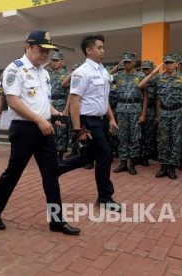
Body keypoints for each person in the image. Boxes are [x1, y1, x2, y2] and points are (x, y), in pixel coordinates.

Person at [0, 30, 80, 235]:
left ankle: (57, 221)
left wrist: (55, 115)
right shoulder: (15, 69)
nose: (46, 55)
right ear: (28, 47)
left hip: (44, 128)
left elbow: (43, 103)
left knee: (51, 174)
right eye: (42, 50)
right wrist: (39, 120)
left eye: (48, 51)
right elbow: (13, 102)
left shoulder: (43, 72)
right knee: (13, 173)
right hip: (25, 130)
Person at [57, 34, 121, 212]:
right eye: (99, 47)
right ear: (89, 50)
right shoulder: (81, 72)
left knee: (86, 157)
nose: (103, 51)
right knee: (104, 155)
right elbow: (75, 101)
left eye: (103, 47)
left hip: (99, 121)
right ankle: (105, 198)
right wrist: (78, 129)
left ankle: (54, 170)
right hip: (87, 121)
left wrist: (111, 118)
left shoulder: (104, 71)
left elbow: (104, 98)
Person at [139, 54, 182, 180]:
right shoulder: (159, 78)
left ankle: (172, 167)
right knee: (163, 140)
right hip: (164, 113)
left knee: (176, 141)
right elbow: (141, 85)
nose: (168, 64)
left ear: (176, 63)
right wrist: (154, 71)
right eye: (166, 62)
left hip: (179, 112)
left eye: (171, 62)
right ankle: (163, 167)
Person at [111, 52, 147, 175]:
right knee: (122, 137)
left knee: (135, 137)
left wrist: (143, 113)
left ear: (134, 62)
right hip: (121, 109)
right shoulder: (117, 76)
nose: (126, 64)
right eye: (124, 62)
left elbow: (146, 95)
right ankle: (122, 163)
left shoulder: (141, 75)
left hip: (135, 108)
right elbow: (106, 77)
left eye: (128, 61)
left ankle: (132, 164)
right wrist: (117, 66)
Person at [48, 51, 70, 160]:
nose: (54, 63)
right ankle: (53, 149)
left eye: (56, 60)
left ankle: (60, 152)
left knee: (61, 129)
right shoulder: (49, 74)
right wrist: (48, 63)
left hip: (61, 102)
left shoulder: (66, 74)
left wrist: (67, 108)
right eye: (53, 60)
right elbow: (40, 69)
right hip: (51, 104)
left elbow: (70, 91)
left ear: (62, 62)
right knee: (52, 128)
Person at [139, 60, 158, 165]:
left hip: (150, 110)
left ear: (152, 69)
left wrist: (157, 114)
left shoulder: (155, 81)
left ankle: (146, 156)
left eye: (147, 69)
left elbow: (157, 99)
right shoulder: (139, 80)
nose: (145, 71)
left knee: (149, 134)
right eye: (144, 69)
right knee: (139, 134)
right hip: (138, 110)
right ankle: (139, 155)